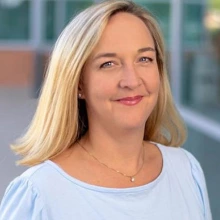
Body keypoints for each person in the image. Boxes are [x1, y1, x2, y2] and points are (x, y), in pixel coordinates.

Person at [0, 0, 212, 219]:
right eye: (108, 64)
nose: (131, 81)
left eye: (144, 59)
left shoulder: (186, 169)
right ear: (78, 83)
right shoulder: (39, 193)